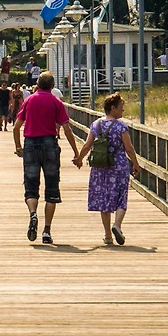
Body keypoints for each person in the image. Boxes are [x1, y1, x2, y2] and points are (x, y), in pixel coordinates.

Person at [14, 71, 80, 244]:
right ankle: (47, 231)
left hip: (30, 144)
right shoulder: (56, 102)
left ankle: (33, 214)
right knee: (51, 188)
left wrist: (18, 147)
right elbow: (67, 129)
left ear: (37, 84)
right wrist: (76, 153)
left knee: (31, 186)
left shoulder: (29, 100)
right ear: (52, 86)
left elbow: (16, 127)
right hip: (50, 144)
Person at [73, 92, 140, 245]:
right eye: (121, 107)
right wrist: (136, 164)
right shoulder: (121, 126)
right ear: (113, 108)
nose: (123, 110)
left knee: (104, 198)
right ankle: (117, 225)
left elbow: (87, 145)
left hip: (100, 167)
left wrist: (79, 159)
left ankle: (108, 235)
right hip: (119, 166)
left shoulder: (96, 125)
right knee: (121, 196)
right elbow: (129, 148)